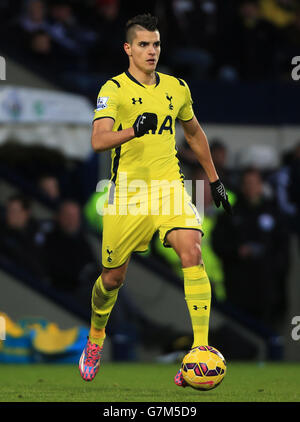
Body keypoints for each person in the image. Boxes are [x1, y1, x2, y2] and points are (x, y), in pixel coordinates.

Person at [78, 13, 232, 386]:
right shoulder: (112, 89)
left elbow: (194, 133)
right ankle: (96, 338)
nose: (152, 51)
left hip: (169, 189)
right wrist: (133, 129)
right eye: (144, 44)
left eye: (157, 44)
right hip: (127, 195)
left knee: (192, 250)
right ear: (128, 48)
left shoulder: (176, 88)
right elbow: (98, 140)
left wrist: (213, 180)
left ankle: (199, 351)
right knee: (112, 279)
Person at [212, 167, 290, 330]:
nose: (251, 187)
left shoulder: (274, 214)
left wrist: (273, 265)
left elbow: (283, 251)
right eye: (247, 183)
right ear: (241, 186)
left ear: (261, 186)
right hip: (238, 288)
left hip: (267, 289)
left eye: (254, 183)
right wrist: (237, 251)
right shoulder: (230, 214)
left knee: (268, 335)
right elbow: (218, 244)